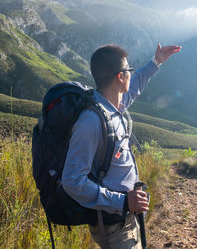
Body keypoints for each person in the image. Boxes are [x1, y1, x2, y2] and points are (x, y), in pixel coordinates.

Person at [62, 43, 181, 248]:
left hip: (125, 218)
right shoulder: (90, 122)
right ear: (120, 77)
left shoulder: (113, 106)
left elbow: (135, 87)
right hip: (113, 226)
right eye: (128, 70)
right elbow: (72, 181)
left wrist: (156, 62)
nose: (130, 75)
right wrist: (123, 202)